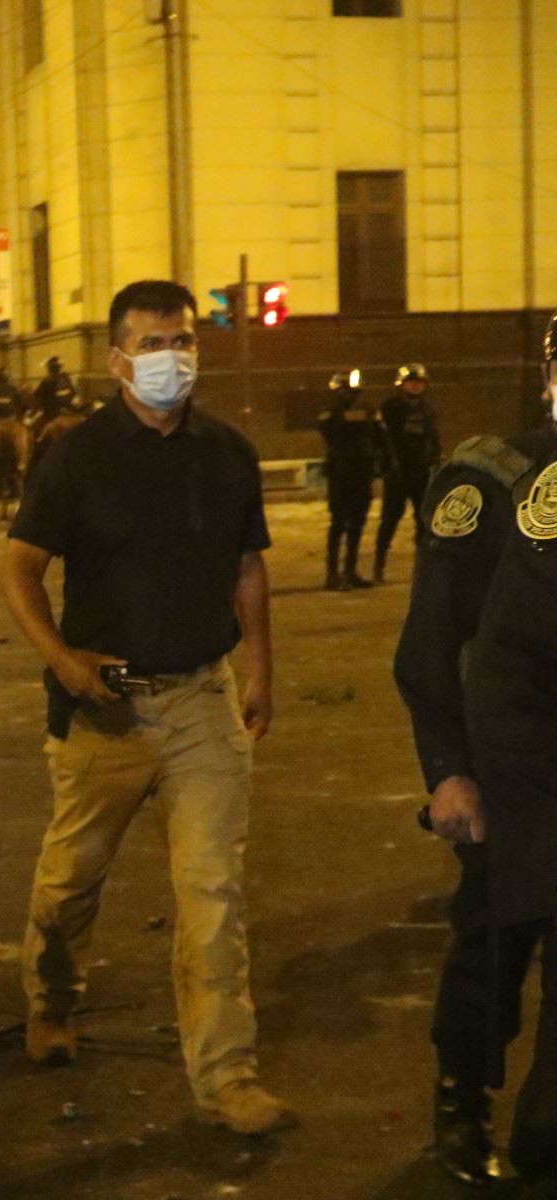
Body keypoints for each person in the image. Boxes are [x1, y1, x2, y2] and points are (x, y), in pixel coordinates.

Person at [0, 280, 289, 1136]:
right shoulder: (77, 456)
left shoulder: (228, 452)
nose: (174, 358)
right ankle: (52, 1000)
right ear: (117, 358)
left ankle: (227, 1076)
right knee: (69, 881)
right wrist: (62, 659)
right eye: (154, 344)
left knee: (212, 891)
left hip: (203, 699)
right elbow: (17, 568)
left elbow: (248, 567)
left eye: (184, 341)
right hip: (107, 712)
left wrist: (260, 669)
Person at [394, 314, 557, 1192]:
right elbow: (430, 644)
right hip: (504, 764)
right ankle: (461, 1101)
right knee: (495, 944)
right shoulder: (492, 480)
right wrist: (446, 770)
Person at [374, 362, 442, 583]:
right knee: (390, 520)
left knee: (423, 522)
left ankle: (422, 568)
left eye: (419, 382)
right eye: (411, 382)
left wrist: (435, 462)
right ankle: (379, 566)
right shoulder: (391, 407)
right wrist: (387, 466)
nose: (415, 386)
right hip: (397, 473)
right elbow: (383, 441)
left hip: (420, 472)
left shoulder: (427, 409)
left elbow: (433, 439)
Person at [319, 370, 381, 591]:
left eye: (352, 391)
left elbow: (377, 436)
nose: (349, 395)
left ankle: (350, 571)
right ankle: (332, 574)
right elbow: (330, 432)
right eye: (344, 391)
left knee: (357, 524)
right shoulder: (330, 412)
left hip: (361, 474)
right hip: (340, 475)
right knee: (338, 523)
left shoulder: (367, 411)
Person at [30, 356, 78, 430]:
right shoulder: (66, 378)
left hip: (51, 412)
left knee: (34, 428)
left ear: (50, 368)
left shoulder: (47, 381)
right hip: (69, 409)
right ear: (60, 367)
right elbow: (74, 393)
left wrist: (35, 409)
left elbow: (37, 397)